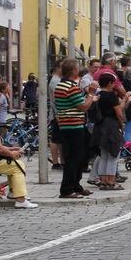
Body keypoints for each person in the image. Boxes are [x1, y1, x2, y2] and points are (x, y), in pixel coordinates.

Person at [53, 59, 93, 199]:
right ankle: (67, 189)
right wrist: (91, 95)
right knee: (74, 158)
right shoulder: (71, 87)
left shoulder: (61, 85)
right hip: (73, 125)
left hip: (67, 124)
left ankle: (76, 185)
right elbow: (83, 106)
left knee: (76, 156)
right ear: (74, 71)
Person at [89, 76, 125, 191]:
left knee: (103, 155)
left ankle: (103, 181)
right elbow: (119, 113)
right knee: (113, 155)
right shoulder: (111, 96)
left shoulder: (97, 96)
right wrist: (122, 124)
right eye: (113, 83)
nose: (114, 85)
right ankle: (111, 181)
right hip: (111, 127)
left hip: (99, 126)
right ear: (110, 83)